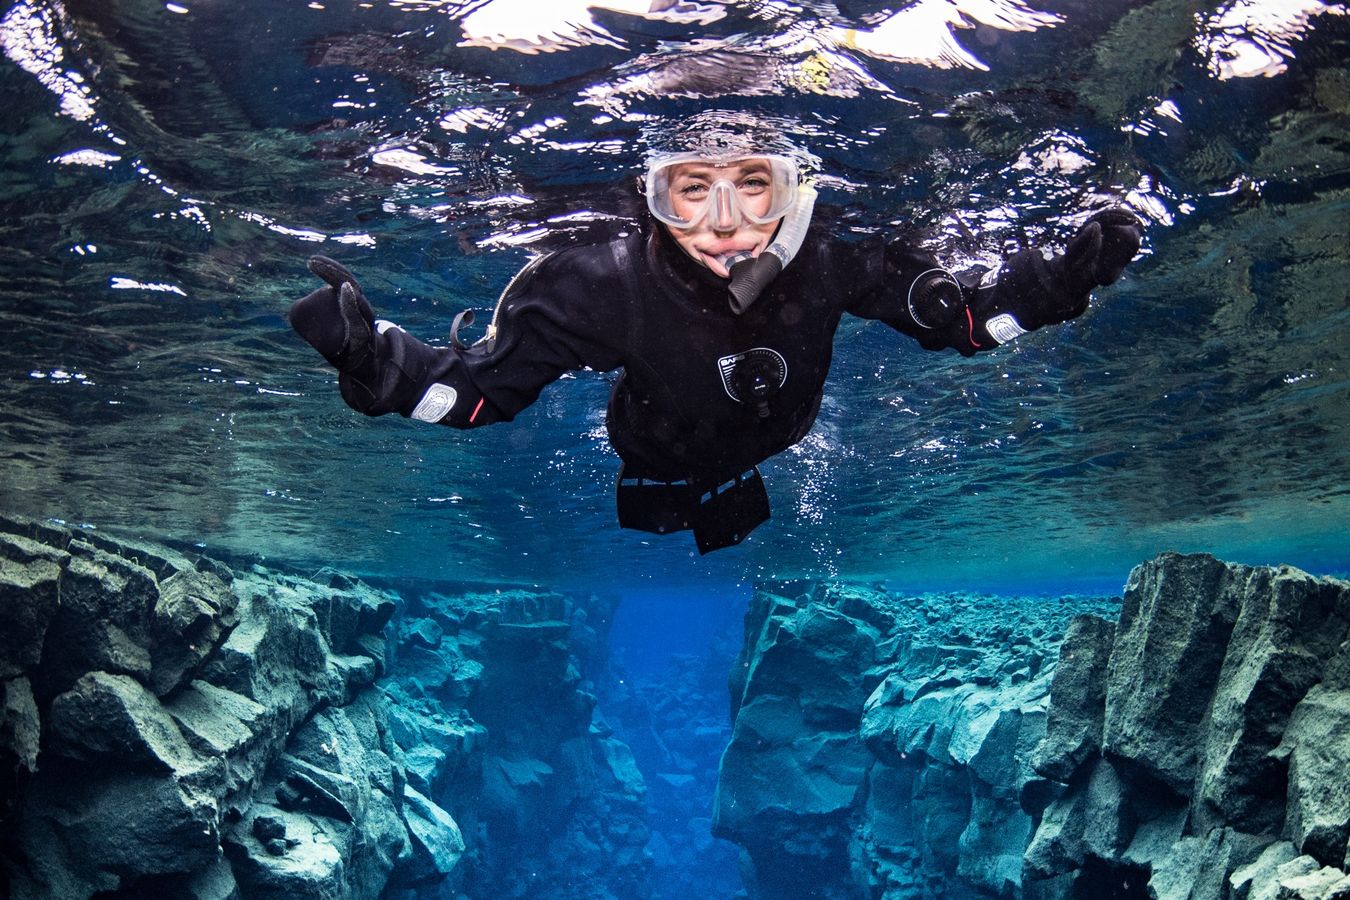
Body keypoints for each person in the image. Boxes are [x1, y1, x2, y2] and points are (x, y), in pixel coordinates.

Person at [290, 117, 1143, 553]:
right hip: (652, 447)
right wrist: (377, 363)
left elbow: (965, 322)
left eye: (754, 184)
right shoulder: (599, 285)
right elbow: (481, 396)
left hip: (780, 432)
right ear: (651, 195)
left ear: (795, 188)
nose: (727, 224)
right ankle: (676, 492)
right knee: (665, 485)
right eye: (692, 188)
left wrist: (1050, 289)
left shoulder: (836, 253)